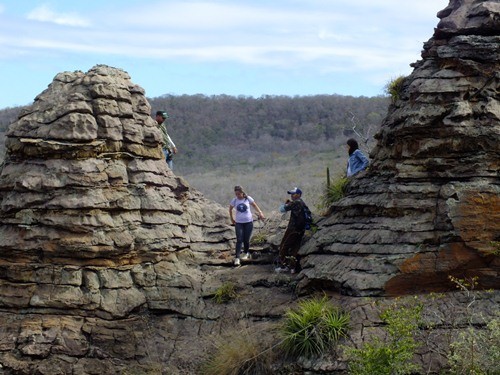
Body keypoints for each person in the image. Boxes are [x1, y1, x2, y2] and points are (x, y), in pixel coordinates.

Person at [275, 187, 309, 274]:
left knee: (284, 246)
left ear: (299, 195)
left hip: (293, 229)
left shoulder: (296, 202)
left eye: (294, 194)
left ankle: (283, 266)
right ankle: (292, 268)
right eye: (291, 194)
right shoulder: (302, 202)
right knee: (295, 248)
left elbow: (282, 209)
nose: (292, 196)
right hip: (301, 229)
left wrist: (286, 204)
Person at [229, 185, 265, 266]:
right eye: (236, 194)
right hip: (238, 223)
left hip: (248, 222)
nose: (237, 195)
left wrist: (260, 212)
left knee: (246, 239)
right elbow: (230, 209)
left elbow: (255, 205)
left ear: (242, 193)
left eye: (239, 194)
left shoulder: (248, 198)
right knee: (239, 239)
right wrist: (231, 218)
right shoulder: (234, 200)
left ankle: (246, 253)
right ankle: (237, 257)